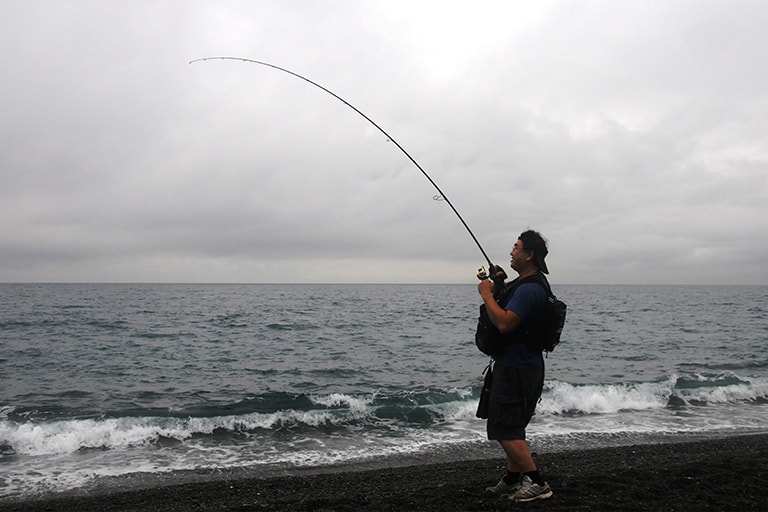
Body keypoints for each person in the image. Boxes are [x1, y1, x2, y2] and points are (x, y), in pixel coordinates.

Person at [477, 229, 553, 502]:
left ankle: (537, 482)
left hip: (517, 368)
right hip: (522, 365)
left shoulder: (530, 289)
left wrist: (486, 294)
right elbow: (508, 305)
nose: (511, 251)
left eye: (516, 247)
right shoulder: (529, 284)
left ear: (529, 254)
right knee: (511, 425)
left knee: (505, 428)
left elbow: (506, 323)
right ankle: (512, 479)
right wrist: (498, 286)